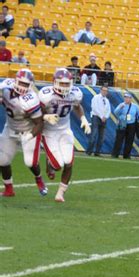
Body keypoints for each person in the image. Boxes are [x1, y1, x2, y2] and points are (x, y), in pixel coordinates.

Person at [39, 68, 90, 202]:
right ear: (55, 82)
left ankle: (61, 193)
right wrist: (45, 116)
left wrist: (83, 119)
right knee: (57, 165)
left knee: (68, 162)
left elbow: (77, 106)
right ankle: (50, 164)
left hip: (65, 130)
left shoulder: (74, 94)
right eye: (62, 84)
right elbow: (35, 114)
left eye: (67, 84)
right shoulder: (46, 95)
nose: (65, 87)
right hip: (49, 132)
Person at [0, 69, 48, 197]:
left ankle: (38, 178)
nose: (22, 87)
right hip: (10, 128)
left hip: (27, 130)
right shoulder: (5, 87)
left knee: (30, 162)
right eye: (20, 83)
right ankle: (9, 189)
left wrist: (30, 135)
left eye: (25, 85)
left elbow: (39, 123)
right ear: (15, 81)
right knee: (2, 161)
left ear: (31, 85)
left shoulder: (31, 99)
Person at [111, 92, 139, 159]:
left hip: (131, 124)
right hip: (122, 123)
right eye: (125, 97)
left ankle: (126, 155)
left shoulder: (135, 106)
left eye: (128, 98)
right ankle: (115, 154)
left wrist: (137, 122)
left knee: (129, 140)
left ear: (130, 99)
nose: (126, 99)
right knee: (119, 140)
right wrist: (120, 108)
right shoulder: (121, 105)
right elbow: (115, 112)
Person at [87, 86, 111, 157]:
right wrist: (101, 116)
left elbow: (109, 110)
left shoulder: (107, 100)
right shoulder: (96, 97)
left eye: (106, 91)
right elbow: (94, 108)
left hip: (104, 119)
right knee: (94, 135)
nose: (104, 92)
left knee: (102, 137)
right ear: (100, 90)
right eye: (103, 90)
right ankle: (89, 151)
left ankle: (97, 152)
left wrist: (106, 117)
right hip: (96, 117)